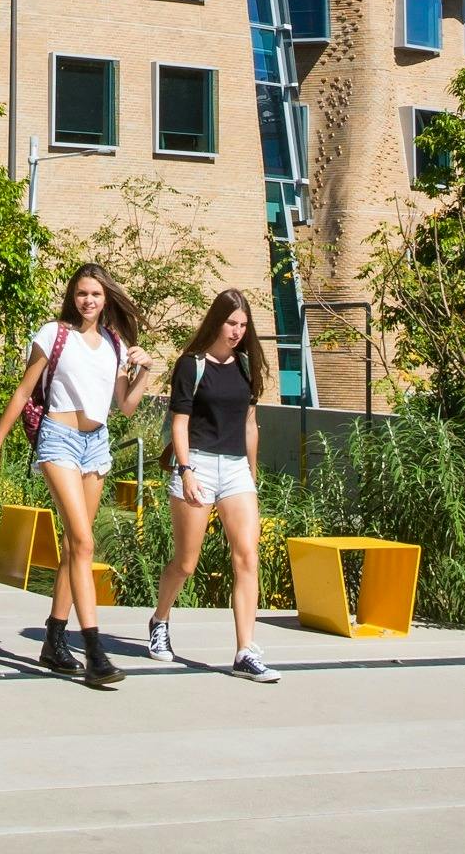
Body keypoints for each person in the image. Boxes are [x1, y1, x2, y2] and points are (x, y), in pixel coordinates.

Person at [0, 263, 150, 686]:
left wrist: (147, 371)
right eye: (80, 294)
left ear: (106, 298)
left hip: (97, 442)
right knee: (85, 541)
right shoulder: (53, 334)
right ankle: (93, 650)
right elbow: (23, 391)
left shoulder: (114, 342)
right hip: (58, 438)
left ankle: (53, 640)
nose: (87, 301)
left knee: (76, 548)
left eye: (94, 294)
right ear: (72, 297)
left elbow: (125, 406)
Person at [143, 289, 278, 683]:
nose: (237, 331)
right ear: (216, 321)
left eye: (242, 325)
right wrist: (185, 471)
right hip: (198, 464)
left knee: (247, 557)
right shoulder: (192, 365)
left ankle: (244, 650)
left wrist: (251, 474)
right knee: (187, 561)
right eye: (231, 323)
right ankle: (160, 619)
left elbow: (250, 424)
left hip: (236, 469)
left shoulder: (247, 366)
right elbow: (179, 424)